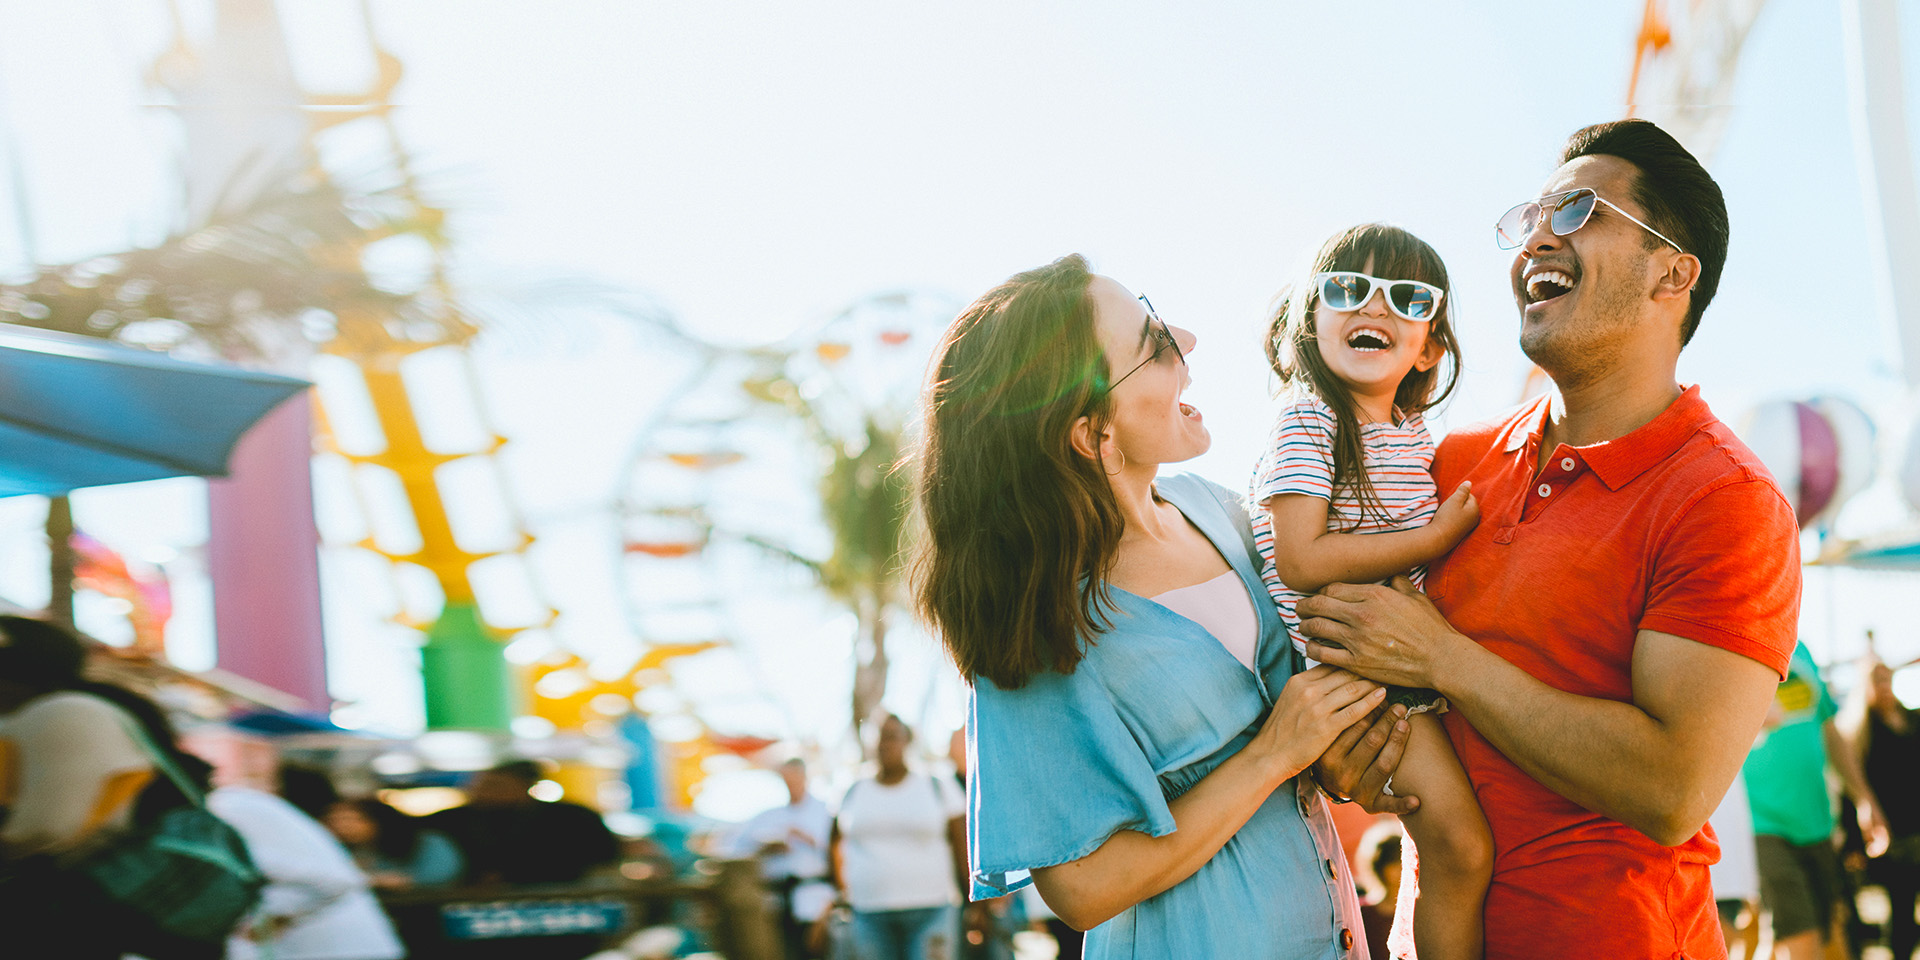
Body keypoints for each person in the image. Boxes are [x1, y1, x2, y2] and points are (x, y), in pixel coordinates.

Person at [1295, 119, 1803, 959]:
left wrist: (1442, 659)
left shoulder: (1724, 499)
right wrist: (1363, 760)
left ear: (1671, 274)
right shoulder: (1450, 465)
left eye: (1577, 211)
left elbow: (1673, 787)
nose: (1537, 237)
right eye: (1531, 215)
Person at [913, 254, 1406, 958]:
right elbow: (1081, 889)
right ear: (1092, 435)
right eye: (1154, 343)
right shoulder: (1035, 621)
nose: (1189, 340)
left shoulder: (1226, 511)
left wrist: (1342, 755)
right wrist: (1272, 754)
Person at [1253, 224, 1490, 959]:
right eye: (1348, 289)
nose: (1376, 309)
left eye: (1408, 298)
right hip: (1350, 673)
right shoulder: (1308, 417)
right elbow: (1299, 558)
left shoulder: (1409, 432)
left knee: (1453, 845)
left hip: (1386, 666)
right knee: (1462, 847)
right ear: (1308, 322)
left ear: (1429, 347)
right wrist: (1433, 541)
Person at [0, 615, 231, 960]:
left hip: (78, 916)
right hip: (99, 913)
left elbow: (46, 829)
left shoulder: (63, 713)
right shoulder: (73, 711)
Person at [1741, 641, 1888, 960]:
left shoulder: (1803, 649)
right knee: (1802, 939)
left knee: (1821, 933)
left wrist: (1865, 800)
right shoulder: (1734, 638)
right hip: (1761, 821)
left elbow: (1831, 733)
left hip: (1816, 822)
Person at [208, 782, 405, 960]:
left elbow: (335, 880)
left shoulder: (223, 809)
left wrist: (281, 918)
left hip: (335, 949)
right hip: (344, 946)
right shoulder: (237, 803)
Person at [829, 714, 968, 960]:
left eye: (892, 736)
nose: (885, 743)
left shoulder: (936, 783)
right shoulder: (851, 788)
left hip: (932, 909)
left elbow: (962, 844)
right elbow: (834, 843)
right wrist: (842, 890)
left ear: (907, 741)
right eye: (879, 737)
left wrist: (975, 904)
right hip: (868, 912)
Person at [424, 759, 620, 885]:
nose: (481, 791)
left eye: (496, 785)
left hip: (557, 898)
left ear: (523, 786)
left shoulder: (573, 818)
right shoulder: (450, 819)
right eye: (477, 784)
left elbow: (602, 857)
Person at [721, 757, 834, 959]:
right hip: (777, 902)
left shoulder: (824, 812)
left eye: (794, 777)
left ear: (804, 777)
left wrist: (806, 838)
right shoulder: (769, 816)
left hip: (814, 900)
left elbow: (838, 852)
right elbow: (732, 846)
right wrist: (764, 848)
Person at [1845, 656, 1920, 959]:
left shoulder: (1913, 719)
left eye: (1887, 679)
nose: (1885, 687)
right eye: (1877, 681)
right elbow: (1852, 793)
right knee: (1901, 912)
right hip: (1894, 837)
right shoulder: (1861, 733)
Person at [323, 797, 465, 889]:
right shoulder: (336, 849)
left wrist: (404, 882)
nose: (341, 826)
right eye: (334, 820)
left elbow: (441, 874)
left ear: (378, 820)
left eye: (351, 819)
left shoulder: (428, 842)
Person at [1353, 821, 1404, 960]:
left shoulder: (1419, 910)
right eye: (1394, 862)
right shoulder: (1361, 914)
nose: (1401, 868)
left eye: (1403, 860)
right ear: (1380, 867)